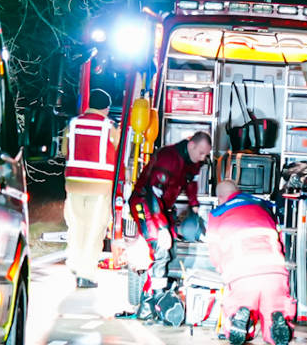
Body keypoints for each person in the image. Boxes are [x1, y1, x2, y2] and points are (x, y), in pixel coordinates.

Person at [120, 130, 212, 317]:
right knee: (160, 246)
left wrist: (194, 206)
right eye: (201, 153)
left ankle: (153, 297)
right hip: (145, 202)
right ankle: (154, 299)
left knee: (170, 249)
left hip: (161, 207)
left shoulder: (191, 161)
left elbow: (190, 183)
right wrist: (162, 228)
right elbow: (153, 194)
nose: (203, 158)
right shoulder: (169, 158)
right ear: (191, 145)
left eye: (206, 154)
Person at [206, 179, 295, 345]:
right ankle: (278, 321)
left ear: (221, 197)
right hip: (275, 270)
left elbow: (215, 252)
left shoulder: (217, 214)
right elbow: (282, 239)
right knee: (275, 304)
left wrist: (222, 271)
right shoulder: (263, 206)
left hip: (243, 273)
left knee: (239, 303)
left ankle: (238, 319)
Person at [61, 90, 117, 289]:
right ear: (106, 107)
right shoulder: (109, 127)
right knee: (94, 230)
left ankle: (75, 264)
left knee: (76, 227)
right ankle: (86, 274)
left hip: (74, 184)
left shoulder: (72, 124)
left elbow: (64, 150)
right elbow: (117, 152)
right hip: (100, 187)